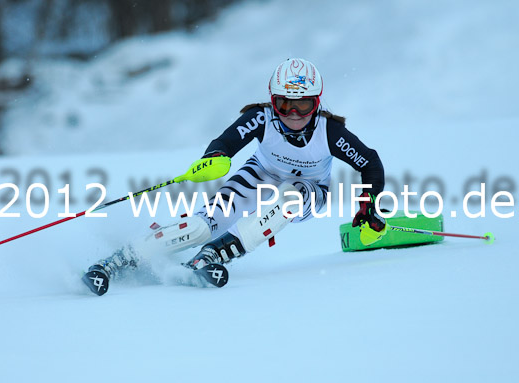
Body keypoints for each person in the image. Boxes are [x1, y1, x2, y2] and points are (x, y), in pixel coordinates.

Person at [89, 58, 387, 287]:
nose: (294, 115)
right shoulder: (261, 117)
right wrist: (215, 157)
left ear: (316, 103)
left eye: (303, 105)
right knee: (203, 225)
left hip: (310, 189)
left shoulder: (329, 131)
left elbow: (369, 162)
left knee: (291, 198)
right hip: (261, 173)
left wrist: (368, 205)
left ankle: (217, 253)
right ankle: (123, 258)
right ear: (273, 101)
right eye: (285, 104)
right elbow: (226, 142)